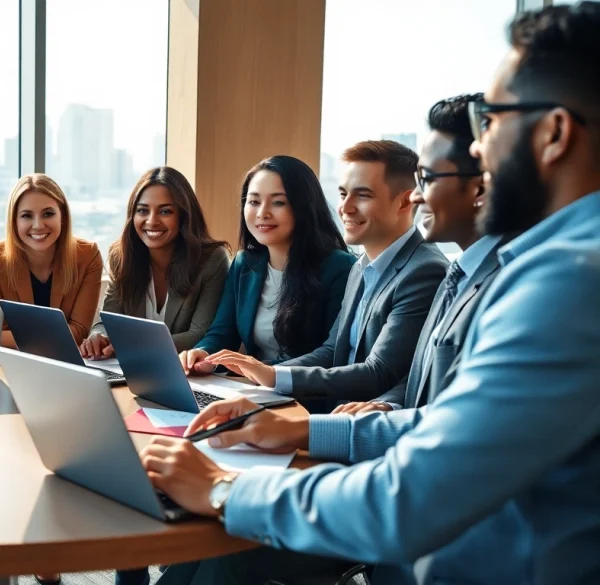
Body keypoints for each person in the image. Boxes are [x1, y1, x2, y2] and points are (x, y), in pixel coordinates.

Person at [143, 4, 600, 584]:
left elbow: (410, 497)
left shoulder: (568, 280)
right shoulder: (544, 265)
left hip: (463, 559)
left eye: (492, 123)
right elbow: (446, 425)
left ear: (555, 133)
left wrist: (228, 489)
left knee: (217, 550)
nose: (480, 151)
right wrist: (304, 428)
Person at [191, 141, 448, 407]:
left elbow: (380, 372)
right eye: (342, 194)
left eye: (362, 195)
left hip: (355, 420)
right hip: (324, 409)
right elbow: (332, 350)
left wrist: (272, 376)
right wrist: (269, 374)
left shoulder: (422, 271)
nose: (345, 208)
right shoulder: (363, 266)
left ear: (406, 201)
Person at [337, 93, 508, 415]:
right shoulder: (459, 274)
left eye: (426, 180)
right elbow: (422, 381)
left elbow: (459, 422)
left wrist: (313, 431)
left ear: (480, 189)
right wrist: (388, 405)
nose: (415, 197)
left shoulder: (502, 284)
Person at [175, 156, 355, 375]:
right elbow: (223, 332)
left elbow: (332, 355)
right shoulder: (245, 264)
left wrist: (262, 370)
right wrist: (204, 353)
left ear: (304, 207)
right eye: (254, 201)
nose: (262, 213)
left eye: (278, 202)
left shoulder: (340, 268)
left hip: (308, 398)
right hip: (251, 389)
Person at [81, 166, 230, 360]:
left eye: (165, 211)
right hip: (131, 370)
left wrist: (132, 345)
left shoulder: (212, 260)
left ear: (184, 216)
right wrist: (99, 336)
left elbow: (199, 335)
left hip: (186, 373)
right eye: (142, 210)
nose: (152, 221)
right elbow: (107, 322)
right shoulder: (122, 257)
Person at [0, 173, 103, 348]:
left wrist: (15, 338)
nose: (38, 225)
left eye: (48, 214)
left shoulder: (87, 255)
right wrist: (58, 336)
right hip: (13, 365)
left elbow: (79, 332)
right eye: (27, 216)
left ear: (63, 217)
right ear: (14, 221)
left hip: (66, 364)